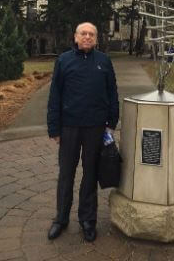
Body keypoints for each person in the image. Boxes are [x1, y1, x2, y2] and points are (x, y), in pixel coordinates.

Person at [47, 22, 119, 242]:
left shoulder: (104, 62)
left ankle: (88, 219)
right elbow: (55, 96)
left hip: (95, 127)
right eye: (83, 33)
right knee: (66, 174)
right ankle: (61, 218)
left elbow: (112, 93)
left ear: (96, 39)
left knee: (90, 174)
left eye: (91, 34)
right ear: (75, 37)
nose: (87, 37)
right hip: (69, 127)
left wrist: (111, 123)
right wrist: (54, 128)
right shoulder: (64, 61)